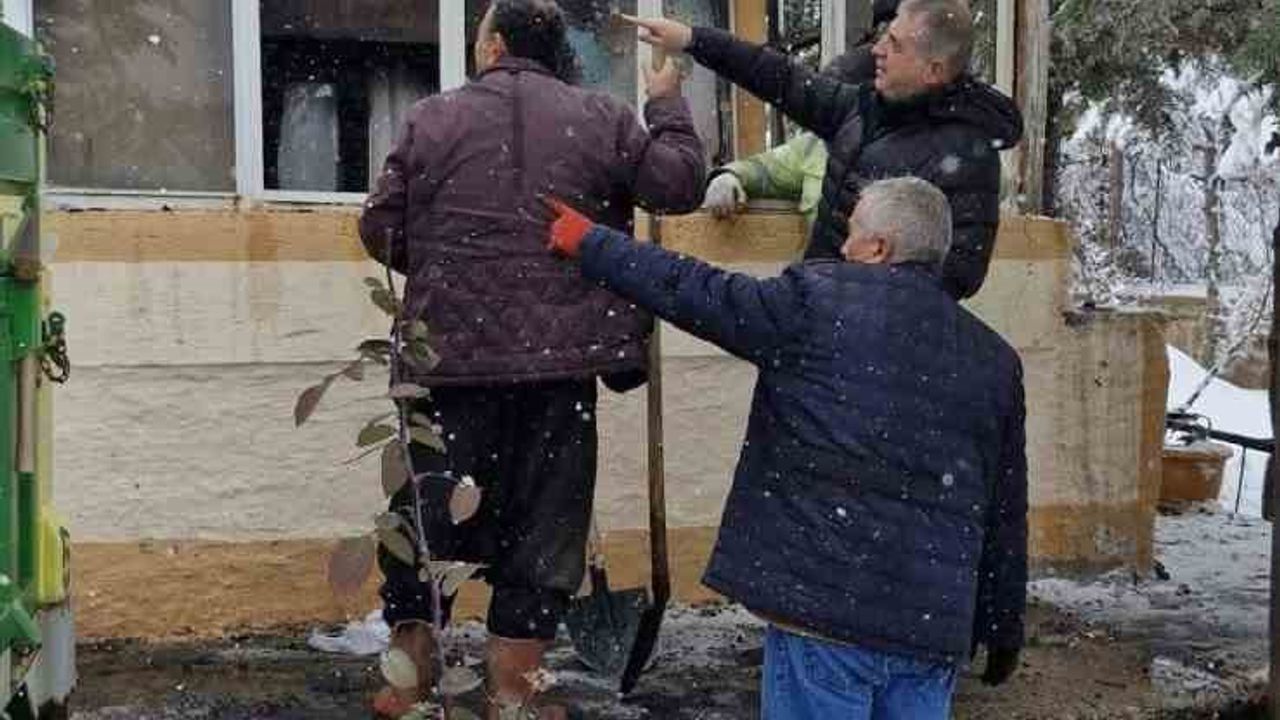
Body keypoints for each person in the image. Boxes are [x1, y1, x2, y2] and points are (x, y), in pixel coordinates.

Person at [544, 176, 1028, 719]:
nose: (842, 246)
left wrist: (591, 242)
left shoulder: (815, 302)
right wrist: (1002, 625)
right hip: (929, 630)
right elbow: (1005, 508)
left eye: (851, 233)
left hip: (826, 614)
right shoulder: (993, 359)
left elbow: (695, 288)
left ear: (878, 247)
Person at [358, 1, 705, 717]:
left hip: (448, 367)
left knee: (427, 516)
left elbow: (381, 229)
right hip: (558, 371)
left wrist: (451, 271)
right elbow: (677, 186)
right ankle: (513, 694)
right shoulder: (602, 119)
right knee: (545, 527)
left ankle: (406, 681)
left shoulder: (432, 119)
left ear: (494, 47)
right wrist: (667, 104)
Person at [627, 0, 1022, 299]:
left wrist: (866, 288)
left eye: (895, 44)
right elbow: (779, 77)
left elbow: (961, 274)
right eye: (884, 36)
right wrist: (693, 39)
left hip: (874, 338)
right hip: (816, 307)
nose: (877, 50)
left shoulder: (969, 156)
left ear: (933, 69)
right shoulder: (861, 109)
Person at [703, 0, 895, 228]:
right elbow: (765, 171)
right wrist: (728, 177)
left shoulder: (918, 147)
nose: (829, 115)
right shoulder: (817, 146)